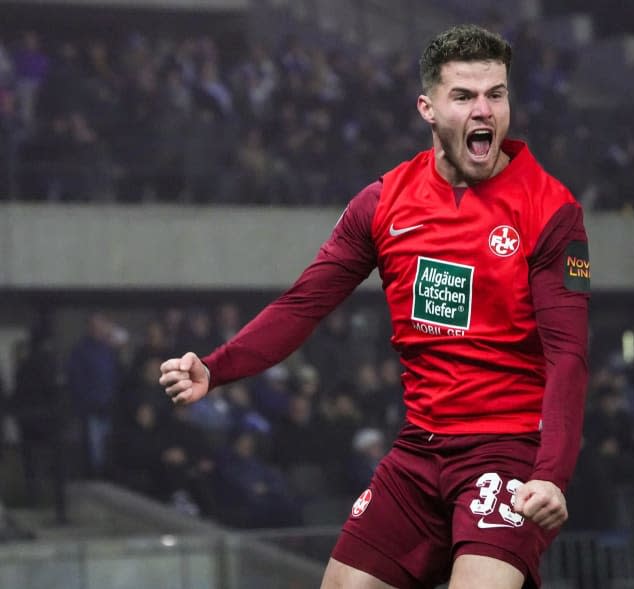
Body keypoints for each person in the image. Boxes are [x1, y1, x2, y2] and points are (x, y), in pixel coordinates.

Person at [160, 24, 590, 589]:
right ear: (428, 107)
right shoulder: (383, 202)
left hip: (507, 453)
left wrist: (552, 475)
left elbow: (568, 355)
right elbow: (303, 304)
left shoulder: (551, 210)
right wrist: (217, 367)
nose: (484, 110)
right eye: (463, 96)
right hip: (419, 450)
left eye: (497, 93)